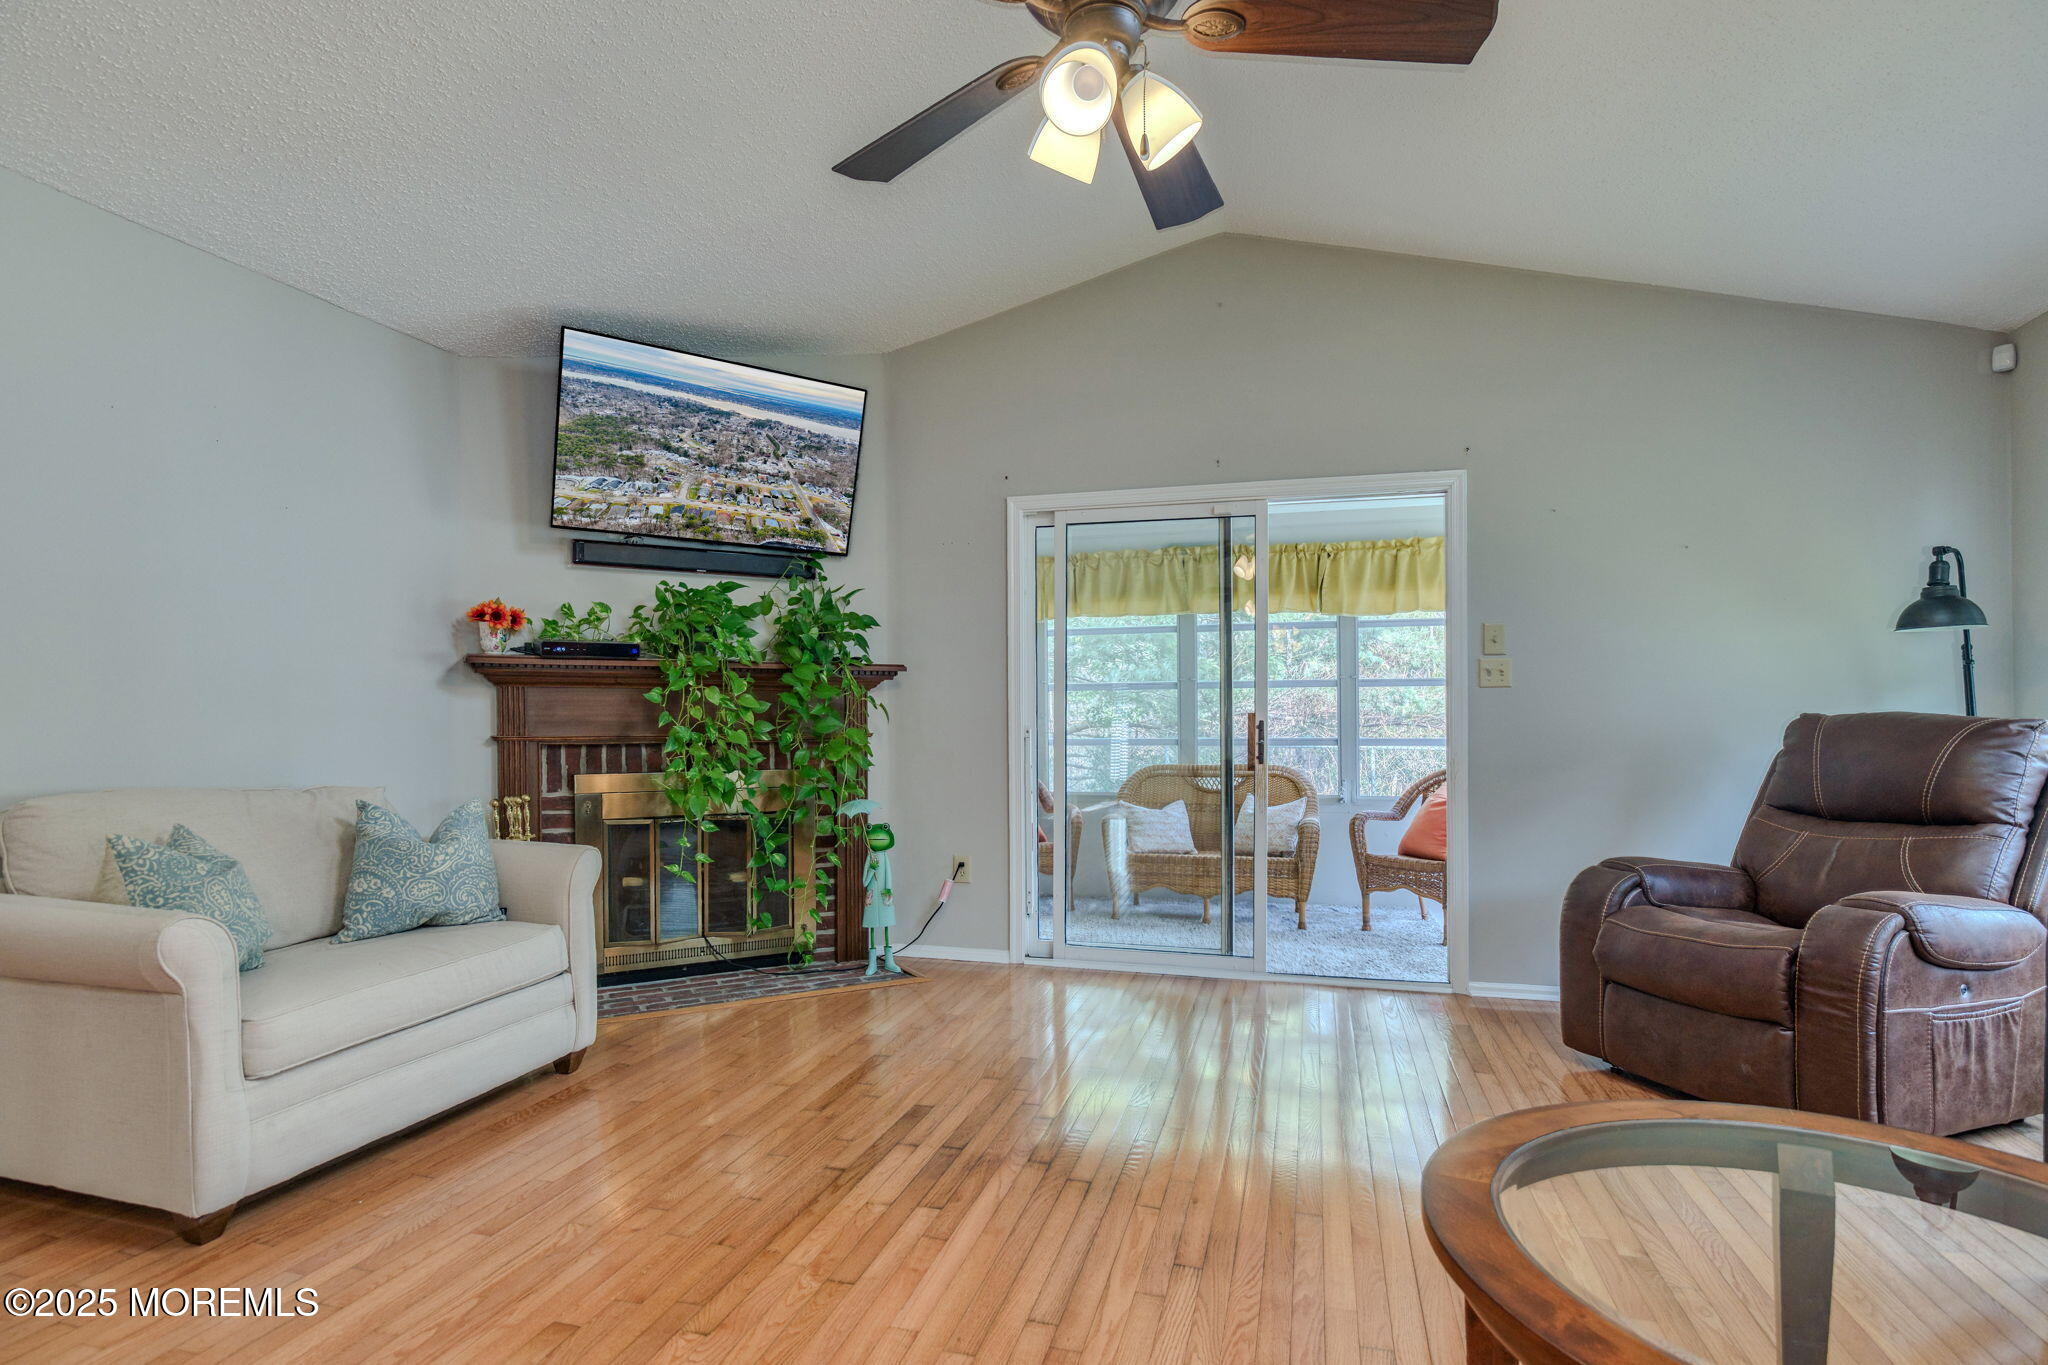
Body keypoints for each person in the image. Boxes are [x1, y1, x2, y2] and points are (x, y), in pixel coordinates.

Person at [838, 799, 897, 976]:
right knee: (872, 926)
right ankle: (872, 962)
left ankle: (889, 960)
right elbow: (864, 882)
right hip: (871, 896)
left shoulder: (885, 857)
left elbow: (889, 877)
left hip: (884, 896)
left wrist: (889, 891)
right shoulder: (870, 857)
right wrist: (871, 868)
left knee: (886, 925)